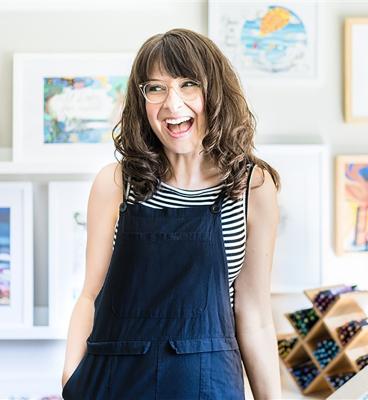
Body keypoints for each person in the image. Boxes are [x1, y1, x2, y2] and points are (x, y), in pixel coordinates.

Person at [61, 28, 282, 399]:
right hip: (113, 381)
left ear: (215, 93)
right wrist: (71, 378)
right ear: (141, 99)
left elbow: (254, 311)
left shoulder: (251, 187)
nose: (172, 104)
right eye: (155, 88)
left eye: (188, 84)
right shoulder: (116, 184)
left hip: (207, 384)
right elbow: (90, 294)